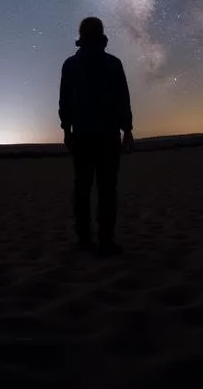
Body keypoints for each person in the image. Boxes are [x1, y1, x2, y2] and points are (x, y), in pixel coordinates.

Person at [58, 16, 134, 255]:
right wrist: (127, 130)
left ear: (81, 36)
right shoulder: (113, 64)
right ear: (101, 35)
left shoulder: (70, 65)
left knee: (82, 188)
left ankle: (84, 239)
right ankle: (105, 240)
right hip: (106, 136)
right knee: (107, 190)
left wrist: (67, 129)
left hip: (82, 135)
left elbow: (65, 102)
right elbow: (122, 99)